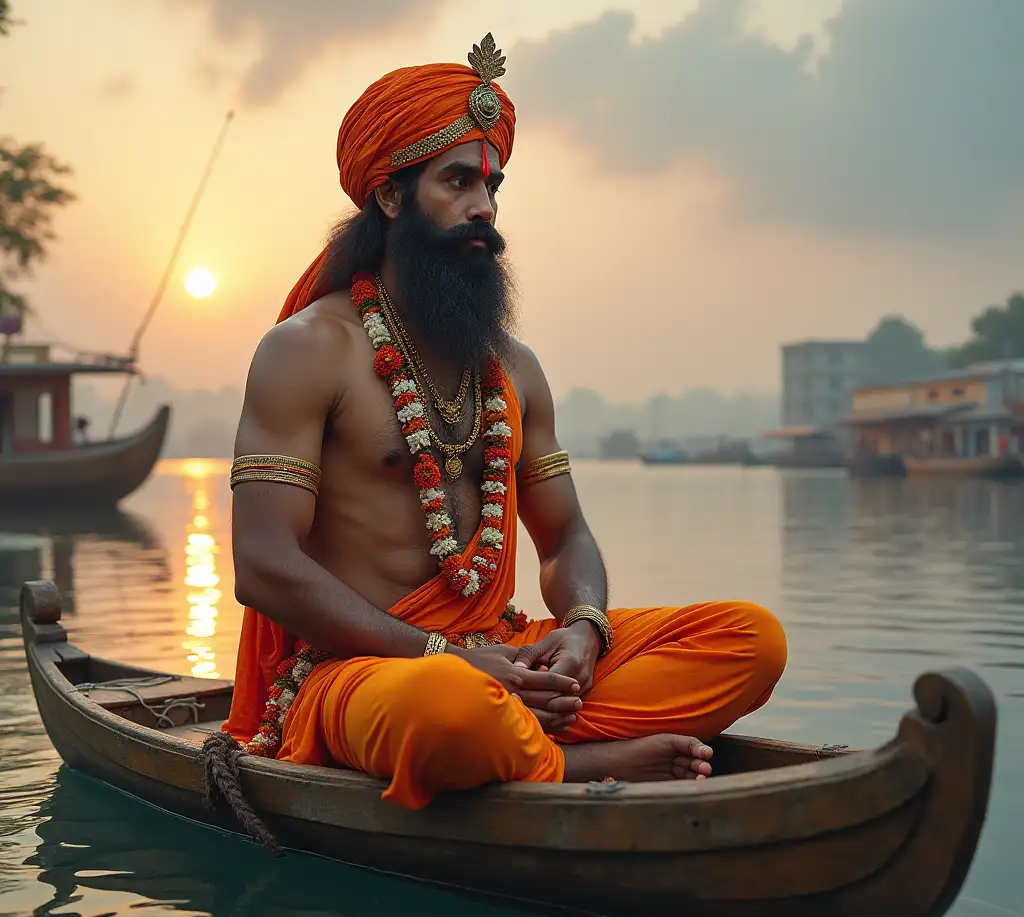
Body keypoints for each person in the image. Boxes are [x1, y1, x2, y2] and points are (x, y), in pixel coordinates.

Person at [222, 34, 787, 811]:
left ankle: (524, 742)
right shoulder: (308, 351)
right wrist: (446, 660)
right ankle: (582, 765)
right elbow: (263, 566)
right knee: (449, 711)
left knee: (750, 640)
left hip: (505, 660)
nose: (484, 209)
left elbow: (566, 539)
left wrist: (582, 632)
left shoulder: (512, 368)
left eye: (492, 186)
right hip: (363, 673)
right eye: (458, 182)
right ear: (390, 196)